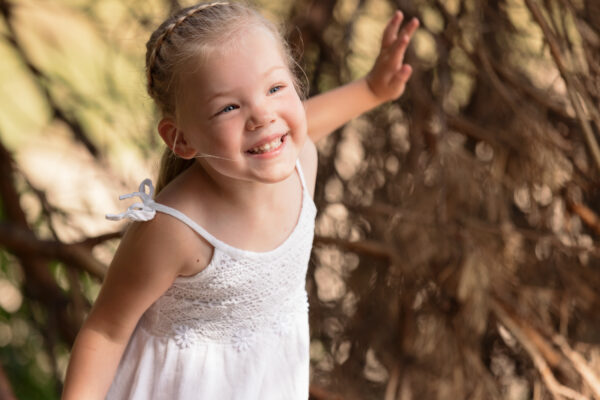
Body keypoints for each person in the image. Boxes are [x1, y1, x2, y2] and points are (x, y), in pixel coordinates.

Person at [61, 2, 418, 399]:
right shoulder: (173, 230)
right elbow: (106, 331)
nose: (263, 116)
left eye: (275, 88)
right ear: (181, 139)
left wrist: (372, 88)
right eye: (229, 107)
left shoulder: (299, 157)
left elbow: (309, 119)